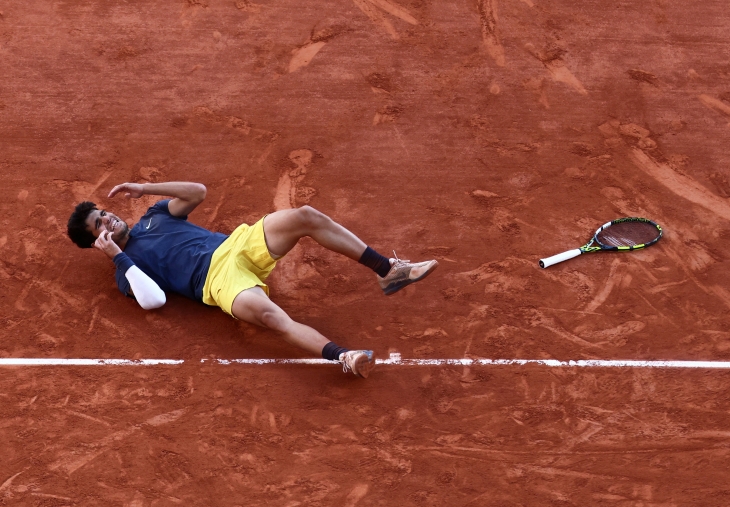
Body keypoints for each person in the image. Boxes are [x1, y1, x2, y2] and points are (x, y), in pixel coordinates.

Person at [67, 181, 438, 378]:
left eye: (104, 212)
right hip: (217, 283)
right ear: (95, 241)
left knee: (304, 215)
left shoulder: (154, 215)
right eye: (99, 225)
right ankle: (344, 356)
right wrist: (118, 256)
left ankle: (388, 271)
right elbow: (155, 300)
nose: (109, 219)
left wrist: (146, 188)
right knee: (271, 318)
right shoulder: (125, 272)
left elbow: (198, 191)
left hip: (237, 245)